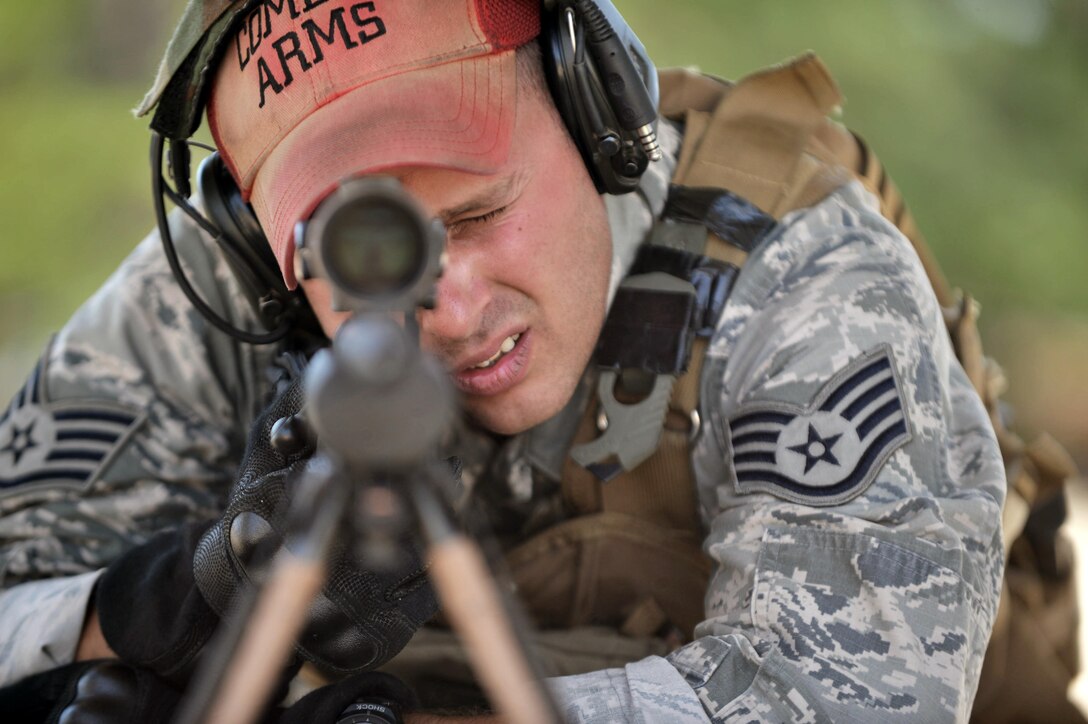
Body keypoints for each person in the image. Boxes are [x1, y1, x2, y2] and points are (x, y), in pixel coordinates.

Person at [0, 0, 1009, 721]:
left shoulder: (795, 267)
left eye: (478, 211)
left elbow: (854, 698)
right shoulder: (216, 295)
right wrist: (143, 605)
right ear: (261, 256)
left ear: (594, 115)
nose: (453, 308)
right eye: (361, 257)